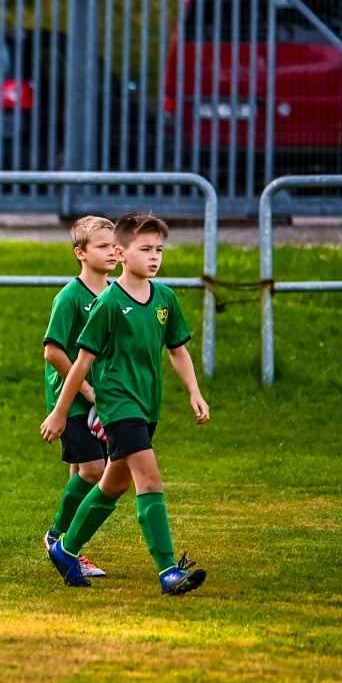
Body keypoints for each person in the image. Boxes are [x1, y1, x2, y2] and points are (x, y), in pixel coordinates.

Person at [40, 212, 211, 596]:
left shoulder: (165, 298)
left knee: (111, 485)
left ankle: (66, 550)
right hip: (119, 407)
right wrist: (61, 411)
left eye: (159, 250)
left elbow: (178, 351)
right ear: (122, 252)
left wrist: (194, 391)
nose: (154, 257)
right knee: (147, 479)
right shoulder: (109, 303)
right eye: (145, 249)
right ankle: (168, 571)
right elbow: (80, 363)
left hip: (147, 406)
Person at [39, 215, 119, 579]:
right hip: (71, 399)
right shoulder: (70, 296)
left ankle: (72, 550)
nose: (112, 251)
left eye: (114, 244)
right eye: (102, 246)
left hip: (102, 400)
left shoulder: (116, 294)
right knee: (94, 470)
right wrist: (86, 390)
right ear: (81, 253)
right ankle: (56, 537)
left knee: (80, 471)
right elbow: (53, 351)